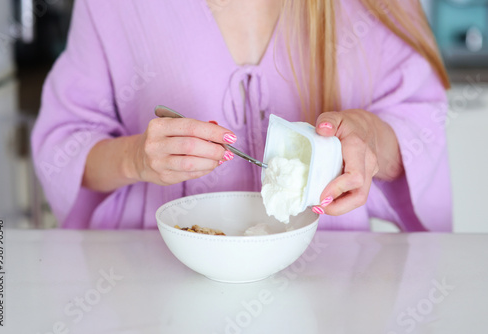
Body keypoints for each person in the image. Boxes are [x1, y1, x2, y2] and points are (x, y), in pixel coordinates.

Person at [31, 0, 452, 231]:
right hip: (152, 290)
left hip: (331, 289)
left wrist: (369, 138)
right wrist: (136, 158)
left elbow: (420, 127)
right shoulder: (112, 8)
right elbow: (65, 145)